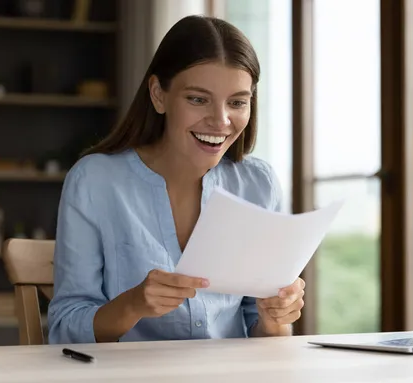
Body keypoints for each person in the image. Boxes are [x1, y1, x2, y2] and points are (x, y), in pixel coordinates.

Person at [47, 15, 305, 344]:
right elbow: (64, 328)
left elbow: (268, 337)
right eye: (198, 99)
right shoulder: (95, 181)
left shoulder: (259, 184)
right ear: (158, 94)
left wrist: (275, 318)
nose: (220, 121)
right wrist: (133, 304)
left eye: (237, 102)